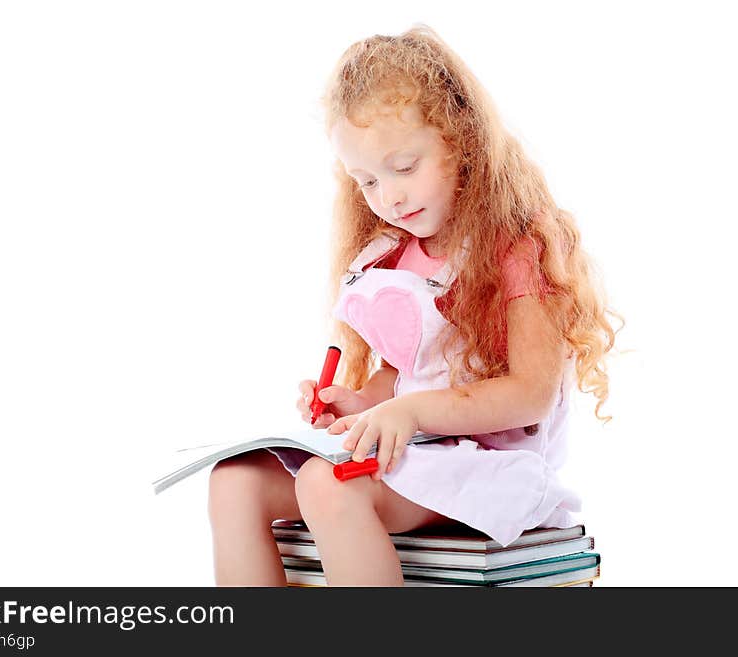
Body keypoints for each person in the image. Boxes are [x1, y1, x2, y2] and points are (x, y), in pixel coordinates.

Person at [208, 24, 621, 586]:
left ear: (462, 140)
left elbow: (531, 394)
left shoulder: (516, 246)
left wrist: (408, 413)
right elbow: (407, 376)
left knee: (327, 485)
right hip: (419, 453)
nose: (390, 197)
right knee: (235, 480)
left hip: (489, 464)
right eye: (368, 182)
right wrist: (360, 404)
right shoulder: (393, 254)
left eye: (404, 168)